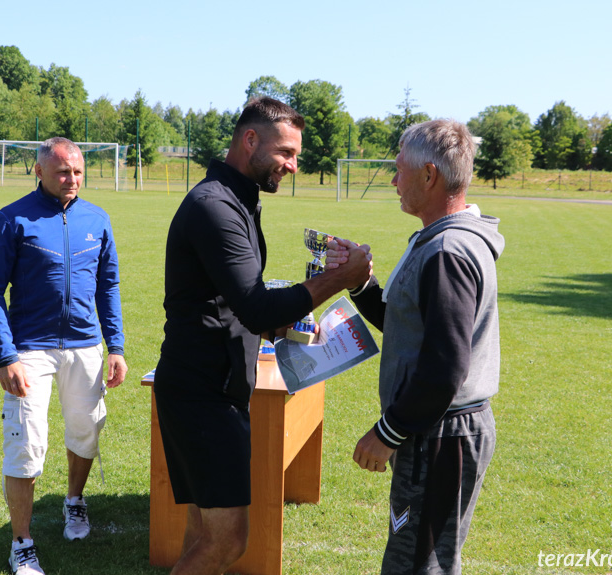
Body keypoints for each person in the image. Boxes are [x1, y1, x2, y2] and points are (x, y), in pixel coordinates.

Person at [154, 97, 372, 575]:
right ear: (250, 139)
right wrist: (342, 278)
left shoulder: (239, 200)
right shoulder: (215, 207)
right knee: (229, 540)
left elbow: (236, 306)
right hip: (201, 394)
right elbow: (255, 307)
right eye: (287, 153)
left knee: (206, 529)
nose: (293, 166)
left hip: (214, 386)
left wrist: (289, 324)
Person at [328, 118, 504, 574]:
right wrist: (361, 284)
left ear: (429, 176)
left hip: (441, 434)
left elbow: (444, 367)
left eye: (400, 168)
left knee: (418, 566)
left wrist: (387, 433)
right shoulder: (440, 240)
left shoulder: (447, 250)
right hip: (437, 431)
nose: (393, 179)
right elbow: (410, 327)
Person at [0, 137, 127, 575]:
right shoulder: (10, 219)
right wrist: (6, 356)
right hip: (30, 351)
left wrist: (114, 346)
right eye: (63, 172)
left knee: (85, 433)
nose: (72, 179)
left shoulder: (97, 220)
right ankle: (21, 543)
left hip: (85, 347)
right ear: (39, 171)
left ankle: (75, 501)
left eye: (78, 172)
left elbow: (109, 286)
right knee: (26, 447)